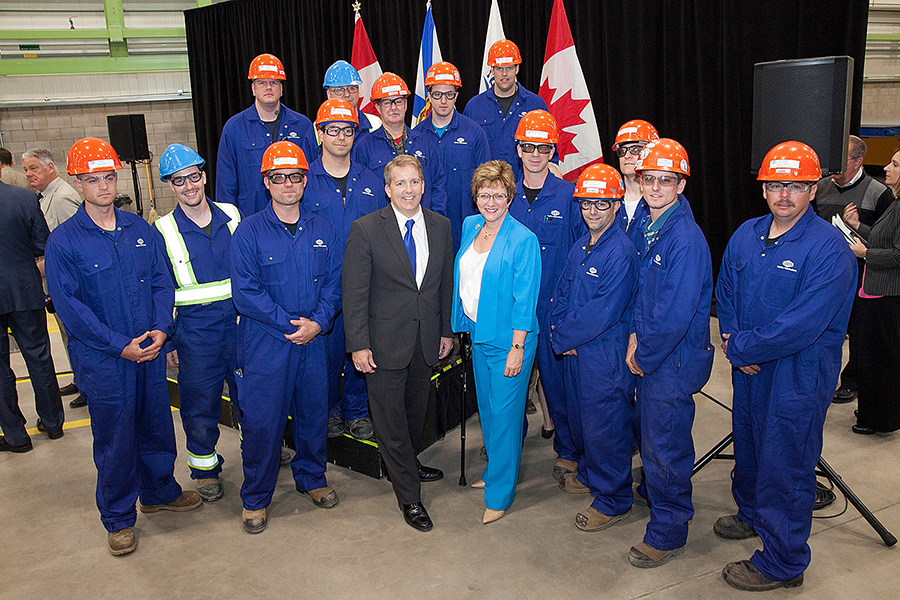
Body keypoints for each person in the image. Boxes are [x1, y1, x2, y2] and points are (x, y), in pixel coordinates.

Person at [45, 138, 200, 557]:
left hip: (148, 350)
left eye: (109, 177)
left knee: (155, 425)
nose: (103, 186)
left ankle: (159, 491)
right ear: (78, 183)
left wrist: (161, 331)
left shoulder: (138, 230)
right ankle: (118, 518)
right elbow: (71, 310)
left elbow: (161, 282)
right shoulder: (64, 242)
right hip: (105, 361)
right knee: (115, 439)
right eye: (93, 179)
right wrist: (119, 346)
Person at [716, 141, 856, 591]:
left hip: (798, 372)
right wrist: (736, 341)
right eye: (776, 184)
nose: (784, 194)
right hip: (751, 364)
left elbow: (804, 324)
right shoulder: (746, 234)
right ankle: (752, 514)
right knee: (751, 446)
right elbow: (727, 293)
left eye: (795, 185)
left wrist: (745, 349)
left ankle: (783, 560)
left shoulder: (829, 249)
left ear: (812, 190)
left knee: (787, 461)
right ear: (763, 189)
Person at [230, 141, 342, 534]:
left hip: (314, 341)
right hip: (266, 344)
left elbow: (334, 284)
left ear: (305, 180)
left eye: (295, 176)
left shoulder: (324, 228)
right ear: (266, 182)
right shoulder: (248, 231)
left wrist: (318, 322)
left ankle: (311, 477)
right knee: (263, 424)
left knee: (314, 414)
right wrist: (288, 325)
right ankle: (256, 498)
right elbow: (245, 292)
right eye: (279, 178)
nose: (288, 184)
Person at [342, 155, 454, 532]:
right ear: (388, 189)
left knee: (414, 415)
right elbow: (354, 293)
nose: (409, 190)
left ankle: (404, 461)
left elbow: (442, 285)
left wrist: (446, 332)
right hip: (383, 345)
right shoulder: (366, 229)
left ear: (424, 185)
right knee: (390, 423)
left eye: (415, 182)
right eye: (400, 183)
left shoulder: (441, 226)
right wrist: (358, 344)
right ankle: (409, 496)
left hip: (425, 342)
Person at [625, 138, 714, 568]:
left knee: (665, 446)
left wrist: (644, 354)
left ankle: (668, 530)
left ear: (681, 184)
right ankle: (655, 496)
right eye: (649, 178)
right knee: (651, 436)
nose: (656, 187)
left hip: (670, 361)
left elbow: (676, 312)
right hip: (652, 352)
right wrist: (634, 338)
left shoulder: (685, 239)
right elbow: (644, 294)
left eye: (666, 180)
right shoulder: (648, 221)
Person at [550, 164, 638, 532]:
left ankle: (613, 499)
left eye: (602, 204)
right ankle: (589, 474)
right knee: (585, 422)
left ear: (617, 205)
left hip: (603, 356)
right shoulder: (581, 245)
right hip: (576, 353)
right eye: (586, 204)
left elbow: (603, 311)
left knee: (606, 428)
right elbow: (562, 292)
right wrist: (558, 331)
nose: (592, 211)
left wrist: (563, 338)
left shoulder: (621, 251)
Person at [452, 160, 541, 524]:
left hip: (509, 341)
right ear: (476, 197)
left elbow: (526, 298)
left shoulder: (523, 239)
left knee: (505, 417)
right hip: (478, 333)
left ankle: (500, 493)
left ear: (510, 197)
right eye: (485, 194)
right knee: (487, 411)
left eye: (499, 195)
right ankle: (493, 471)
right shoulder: (471, 225)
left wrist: (518, 348)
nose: (491, 201)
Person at [153, 143, 242, 503]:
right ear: (170, 186)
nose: (189, 186)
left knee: (252, 397)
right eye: (179, 181)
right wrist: (169, 342)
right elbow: (160, 290)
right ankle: (205, 469)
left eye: (194, 177)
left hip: (241, 327)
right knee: (199, 404)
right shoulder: (163, 230)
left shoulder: (232, 216)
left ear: (204, 176)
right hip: (195, 333)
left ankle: (258, 453)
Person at [507, 110, 583, 484]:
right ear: (518, 149)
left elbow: (581, 255)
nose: (535, 154)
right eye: (528, 147)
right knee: (509, 386)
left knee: (559, 386)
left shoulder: (570, 196)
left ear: (553, 150)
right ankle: (507, 446)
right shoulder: (504, 197)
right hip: (513, 311)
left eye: (543, 147)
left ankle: (568, 451)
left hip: (554, 311)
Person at [304, 99, 383, 440]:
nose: (340, 136)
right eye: (332, 129)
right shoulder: (304, 179)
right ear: (320, 133)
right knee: (325, 354)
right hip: (321, 284)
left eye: (347, 130)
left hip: (365, 283)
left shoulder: (372, 180)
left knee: (359, 350)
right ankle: (330, 411)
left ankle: (355, 409)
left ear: (355, 133)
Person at [813, 135, 893, 404]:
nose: (833, 167)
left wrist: (859, 229)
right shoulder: (819, 187)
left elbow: (886, 240)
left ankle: (851, 381)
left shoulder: (878, 193)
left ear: (858, 161)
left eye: (841, 161)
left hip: (861, 272)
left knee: (858, 330)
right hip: (823, 270)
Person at [0, 177, 65, 452]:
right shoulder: (25, 199)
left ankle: (16, 436)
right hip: (24, 290)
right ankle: (53, 424)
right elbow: (43, 244)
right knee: (39, 357)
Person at [21, 148, 85, 408]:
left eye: (34, 168)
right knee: (66, 336)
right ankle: (79, 379)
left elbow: (76, 242)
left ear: (51, 168)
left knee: (76, 336)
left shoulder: (62, 198)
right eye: (26, 169)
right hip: (56, 283)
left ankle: (87, 385)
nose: (28, 174)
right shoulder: (45, 196)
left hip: (68, 283)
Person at [216, 53, 318, 215]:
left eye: (274, 82)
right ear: (253, 88)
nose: (268, 87)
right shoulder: (234, 128)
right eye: (262, 82)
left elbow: (312, 174)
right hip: (251, 218)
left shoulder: (302, 125)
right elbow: (225, 185)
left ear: (281, 87)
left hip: (296, 218)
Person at [844, 148, 900, 435]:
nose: (887, 168)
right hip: (875, 290)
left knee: (882, 361)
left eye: (894, 164)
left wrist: (866, 253)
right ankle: (872, 410)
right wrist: (858, 227)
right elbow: (884, 239)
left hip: (887, 295)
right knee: (871, 357)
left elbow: (897, 254)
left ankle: (880, 419)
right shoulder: (895, 203)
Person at [414, 61, 491, 252]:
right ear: (429, 95)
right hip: (426, 225)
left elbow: (487, 180)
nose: (443, 101)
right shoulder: (416, 136)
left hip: (468, 224)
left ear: (456, 95)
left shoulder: (474, 132)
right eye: (437, 94)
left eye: (449, 95)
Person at [352, 72, 447, 216]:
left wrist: (434, 223)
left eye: (398, 101)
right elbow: (360, 196)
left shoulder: (426, 144)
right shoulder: (363, 147)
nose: (393, 107)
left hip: (421, 225)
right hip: (381, 229)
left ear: (406, 104)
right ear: (378, 108)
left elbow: (437, 188)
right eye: (387, 102)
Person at [464, 39, 550, 179]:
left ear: (517, 68)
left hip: (524, 188)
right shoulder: (474, 107)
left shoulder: (536, 105)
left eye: (509, 68)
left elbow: (549, 151)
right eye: (499, 68)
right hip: (487, 190)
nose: (504, 73)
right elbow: (467, 154)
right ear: (491, 70)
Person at [612, 120, 659, 250]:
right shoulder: (608, 199)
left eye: (635, 150)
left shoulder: (665, 200)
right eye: (622, 150)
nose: (627, 155)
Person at [323, 60, 383, 144]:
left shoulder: (375, 123)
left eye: (352, 88)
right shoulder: (319, 126)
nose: (347, 94)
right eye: (339, 90)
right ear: (329, 94)